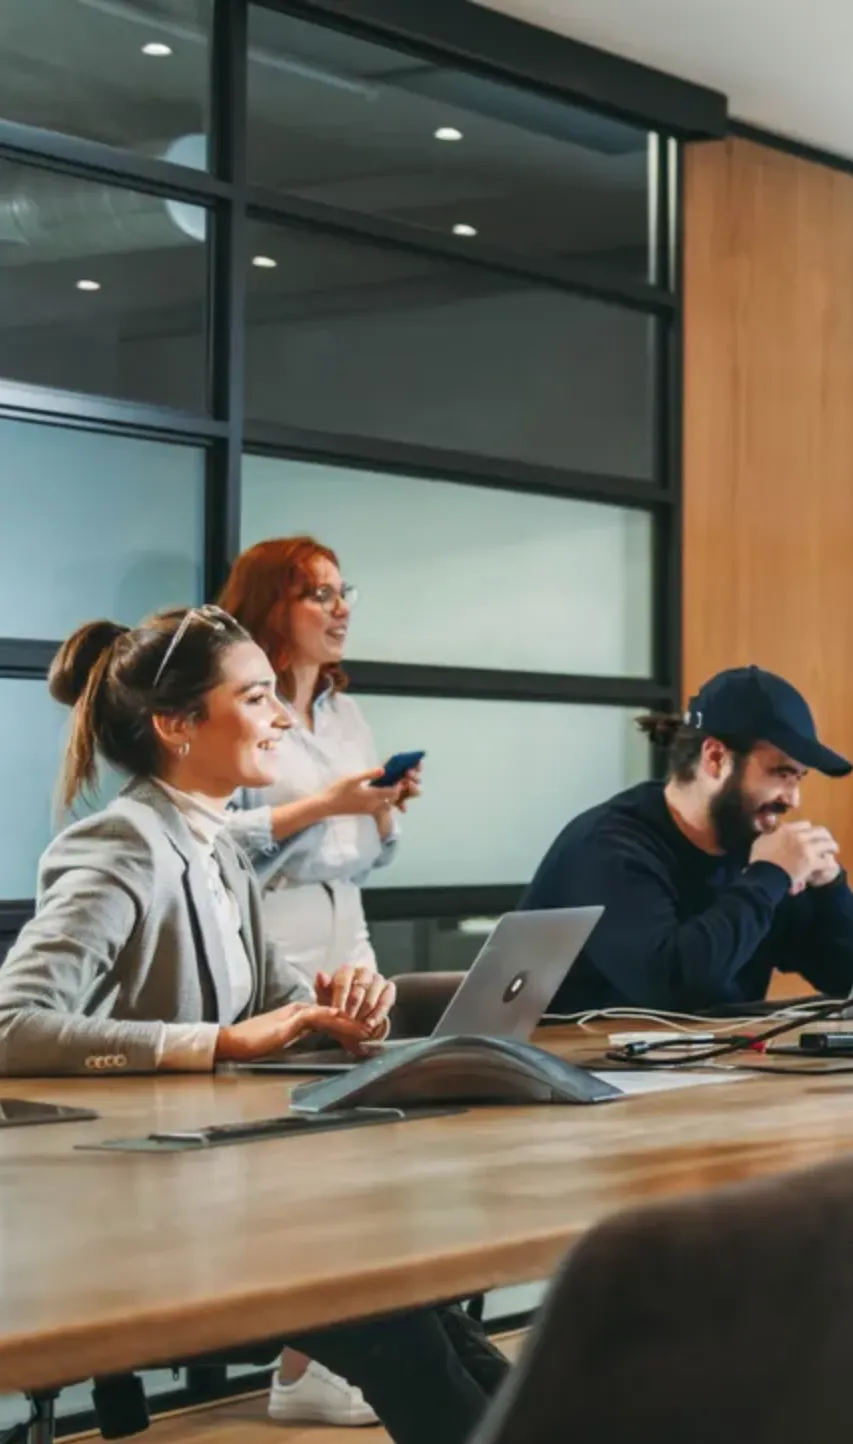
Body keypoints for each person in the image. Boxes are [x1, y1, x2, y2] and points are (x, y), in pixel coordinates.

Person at [0, 607, 509, 1444]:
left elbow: (281, 1004)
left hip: (229, 1192)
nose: (281, 718)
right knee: (397, 1323)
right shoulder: (122, 845)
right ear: (176, 725)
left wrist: (339, 1012)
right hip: (138, 1219)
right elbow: (13, 1025)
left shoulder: (216, 844)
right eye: (256, 697)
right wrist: (218, 1043)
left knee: (423, 1307)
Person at [218, 537, 419, 1426]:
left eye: (344, 593)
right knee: (304, 1155)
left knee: (366, 1140)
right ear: (272, 606)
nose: (341, 610)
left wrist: (382, 809)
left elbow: (365, 852)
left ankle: (309, 1366)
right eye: (319, 595)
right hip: (273, 927)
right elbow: (223, 842)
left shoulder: (343, 711)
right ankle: (305, 1364)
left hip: (347, 919)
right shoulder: (243, 711)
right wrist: (332, 806)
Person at [521, 665, 853, 1015]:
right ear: (715, 758)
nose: (793, 799)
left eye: (799, 778)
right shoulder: (607, 849)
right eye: (781, 773)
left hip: (718, 1051)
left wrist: (831, 890)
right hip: (571, 1052)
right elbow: (673, 987)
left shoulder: (753, 846)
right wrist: (768, 876)